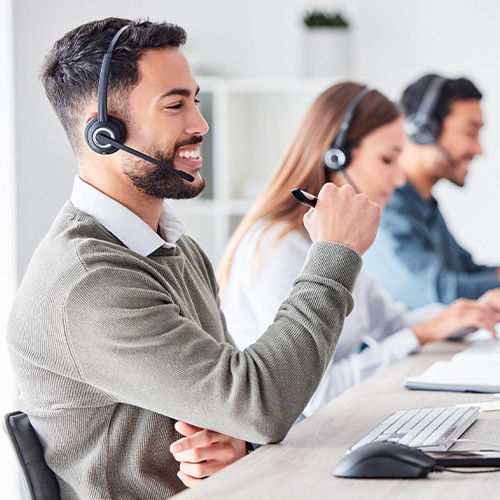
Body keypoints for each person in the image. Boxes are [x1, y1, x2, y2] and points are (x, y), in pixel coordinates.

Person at [6, 18, 381, 499]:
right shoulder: (88, 283)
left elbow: (234, 407)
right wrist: (335, 253)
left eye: (196, 100)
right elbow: (259, 402)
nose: (200, 124)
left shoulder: (174, 247)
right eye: (175, 104)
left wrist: (236, 445)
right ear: (102, 131)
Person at [217, 81, 500, 418]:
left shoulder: (337, 238)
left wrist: (468, 314)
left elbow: (392, 324)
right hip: (293, 441)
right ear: (337, 155)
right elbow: (314, 397)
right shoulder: (281, 247)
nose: (398, 179)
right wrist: (420, 334)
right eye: (387, 159)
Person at [364, 73, 500, 309]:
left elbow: (466, 270)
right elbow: (440, 292)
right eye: (470, 132)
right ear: (424, 129)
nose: (479, 150)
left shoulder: (424, 205)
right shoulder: (385, 207)